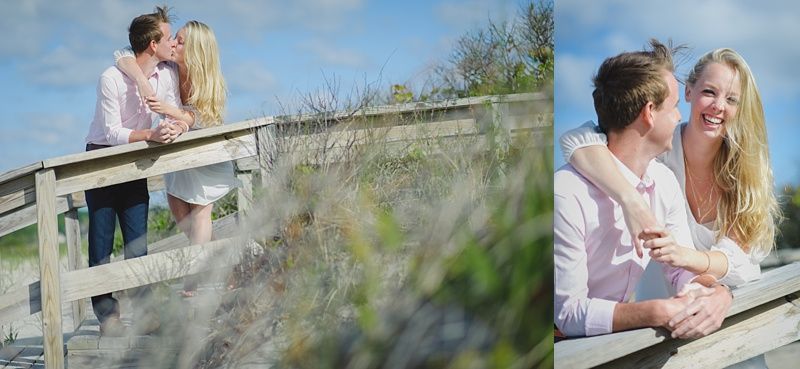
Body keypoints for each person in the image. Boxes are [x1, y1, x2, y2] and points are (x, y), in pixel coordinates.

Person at [559, 48, 781, 291]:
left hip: (736, 302)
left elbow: (735, 258)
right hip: (666, 306)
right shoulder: (658, 149)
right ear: (688, 91)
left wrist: (684, 256)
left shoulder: (746, 170)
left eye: (731, 99)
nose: (718, 106)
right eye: (709, 92)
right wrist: (631, 200)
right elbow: (577, 139)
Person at [554, 39, 733, 339]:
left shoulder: (663, 182)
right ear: (649, 112)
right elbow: (568, 313)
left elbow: (680, 268)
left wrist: (711, 293)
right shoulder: (566, 193)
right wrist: (654, 312)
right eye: (675, 106)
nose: (679, 116)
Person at [114, 20, 238, 297]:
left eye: (180, 41)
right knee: (182, 216)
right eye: (175, 39)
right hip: (181, 155)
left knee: (201, 214)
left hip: (206, 156)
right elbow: (121, 54)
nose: (173, 44)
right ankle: (227, 266)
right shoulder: (169, 69)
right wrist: (144, 84)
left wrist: (175, 114)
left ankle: (191, 281)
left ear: (195, 50)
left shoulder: (209, 79)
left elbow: (205, 119)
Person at [84, 6, 182, 336]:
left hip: (135, 159)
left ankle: (145, 313)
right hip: (100, 159)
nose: (173, 43)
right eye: (168, 37)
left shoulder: (166, 74)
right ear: (152, 44)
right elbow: (111, 133)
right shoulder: (110, 78)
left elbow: (174, 111)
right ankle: (108, 317)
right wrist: (150, 135)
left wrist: (170, 129)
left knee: (137, 241)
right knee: (101, 243)